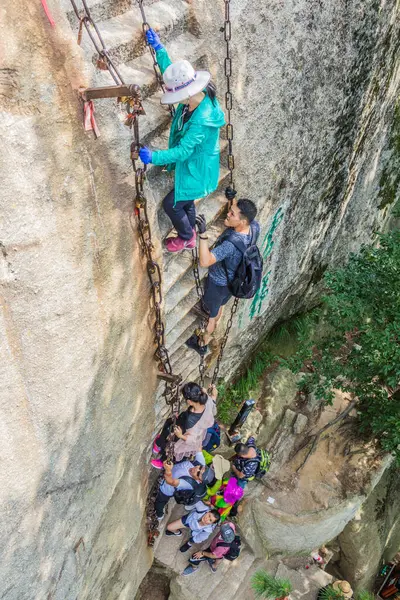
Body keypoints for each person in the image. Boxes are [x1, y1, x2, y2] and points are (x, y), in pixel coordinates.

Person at [139, 28, 225, 253]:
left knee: (172, 204)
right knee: (185, 202)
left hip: (197, 170)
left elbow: (183, 151)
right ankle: (190, 232)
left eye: (179, 97)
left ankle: (187, 236)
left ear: (187, 93)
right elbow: (173, 73)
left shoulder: (201, 120)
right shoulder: (195, 98)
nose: (178, 101)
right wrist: (159, 49)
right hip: (196, 168)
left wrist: (154, 157)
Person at [185, 197, 260, 356]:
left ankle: (203, 343)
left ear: (242, 222)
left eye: (231, 213)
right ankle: (215, 319)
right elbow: (241, 215)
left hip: (217, 284)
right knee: (219, 308)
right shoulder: (254, 228)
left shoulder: (230, 246)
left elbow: (205, 261)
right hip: (231, 283)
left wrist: (203, 234)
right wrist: (232, 199)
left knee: (211, 317)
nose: (228, 214)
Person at [151, 383, 218, 468]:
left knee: (173, 444)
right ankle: (159, 443)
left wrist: (181, 436)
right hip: (186, 422)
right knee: (169, 424)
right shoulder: (206, 400)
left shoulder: (191, 420)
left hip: (187, 433)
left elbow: (193, 439)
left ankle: (162, 461)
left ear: (189, 402)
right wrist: (214, 395)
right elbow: (213, 406)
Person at [154, 454, 214, 519]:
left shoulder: (188, 483)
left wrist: (168, 470)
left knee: (160, 502)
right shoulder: (200, 462)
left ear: (199, 481)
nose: (196, 469)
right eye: (200, 467)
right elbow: (199, 448)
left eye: (198, 474)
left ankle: (159, 515)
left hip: (167, 489)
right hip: (169, 474)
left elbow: (171, 482)